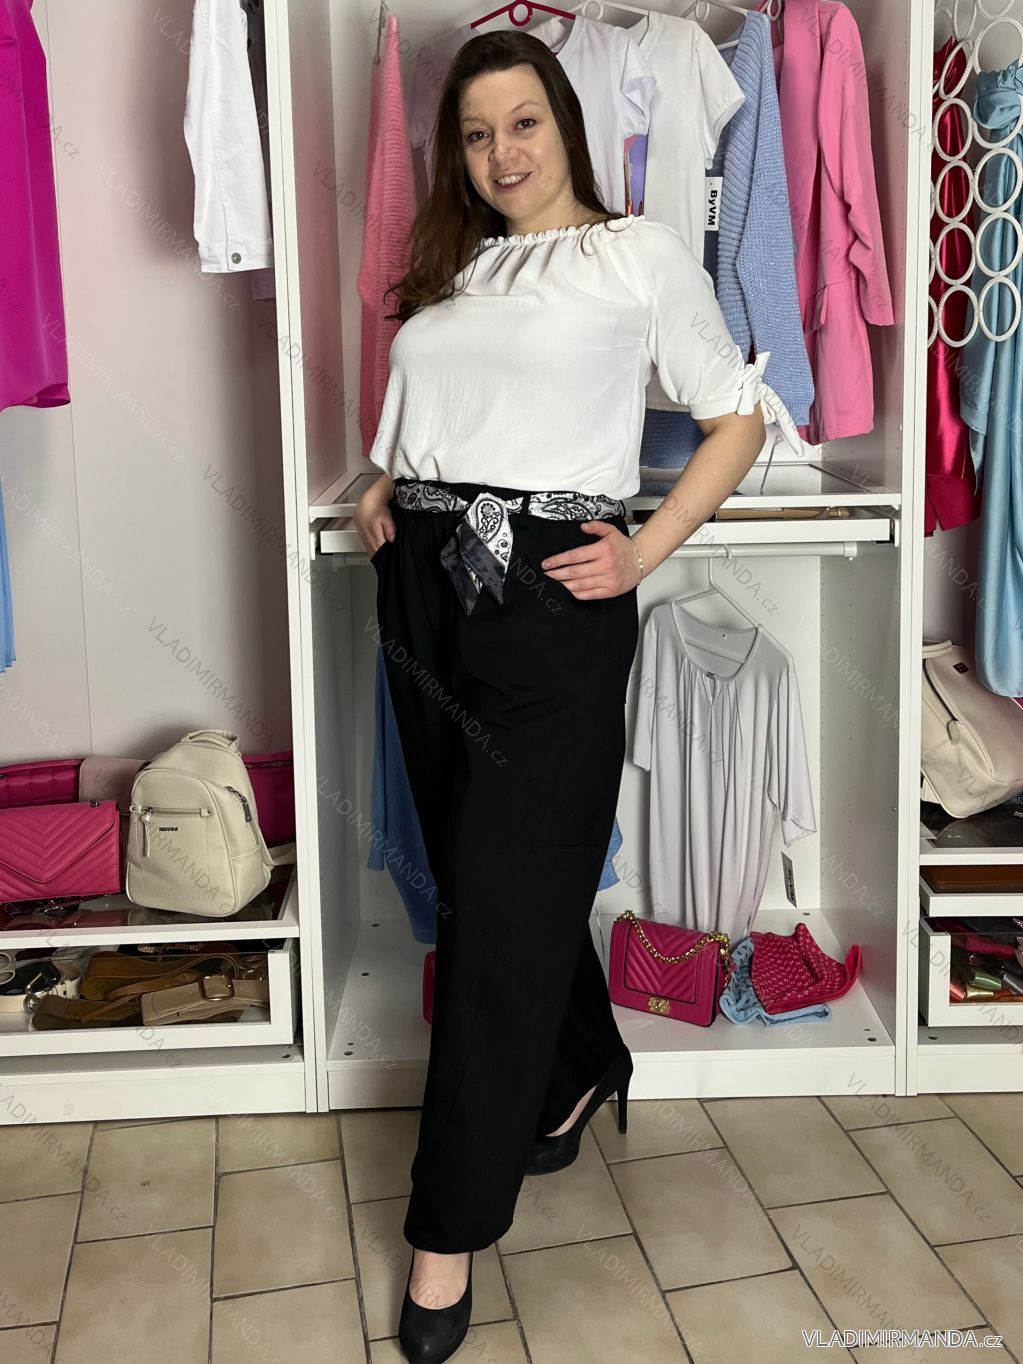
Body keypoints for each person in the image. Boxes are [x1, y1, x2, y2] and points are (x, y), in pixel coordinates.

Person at [355, 28, 798, 1364]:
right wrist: (382, 486)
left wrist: (646, 549)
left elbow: (736, 416)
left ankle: (445, 1236)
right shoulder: (454, 269)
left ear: (566, 122)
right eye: (476, 133)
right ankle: (583, 1061)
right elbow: (428, 415)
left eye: (523, 123)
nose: (501, 153)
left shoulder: (636, 255)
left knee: (498, 911)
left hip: (551, 598)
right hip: (425, 584)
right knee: (476, 880)